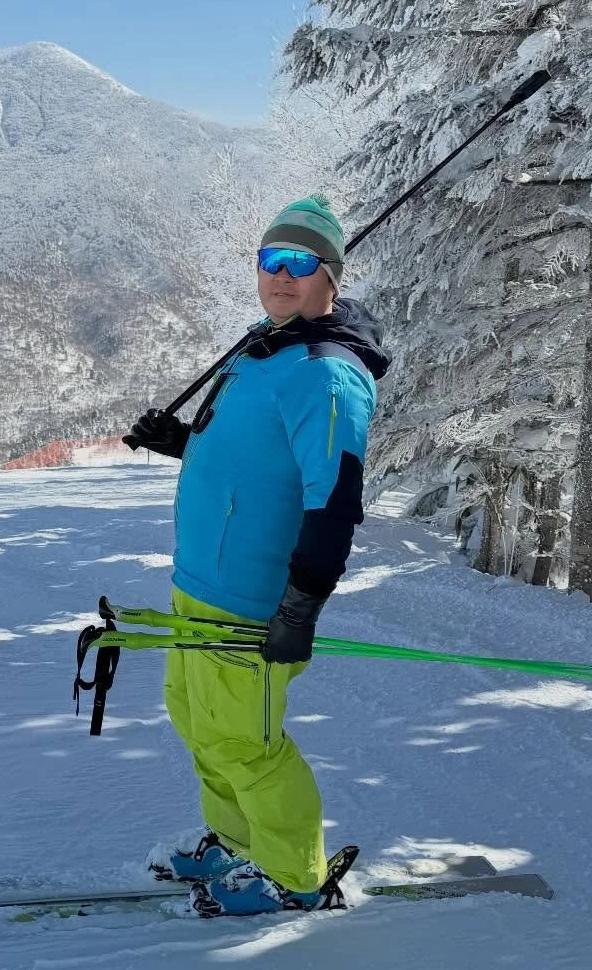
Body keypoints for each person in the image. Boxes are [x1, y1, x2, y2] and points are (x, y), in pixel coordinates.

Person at [127, 195, 390, 917]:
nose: (282, 275)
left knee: (248, 741)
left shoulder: (324, 373)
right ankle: (237, 843)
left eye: (301, 262)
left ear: (329, 275)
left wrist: (300, 606)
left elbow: (332, 502)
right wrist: (183, 443)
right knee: (198, 721)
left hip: (252, 597)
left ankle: (294, 877)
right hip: (202, 579)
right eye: (271, 259)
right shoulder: (266, 346)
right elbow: (256, 458)